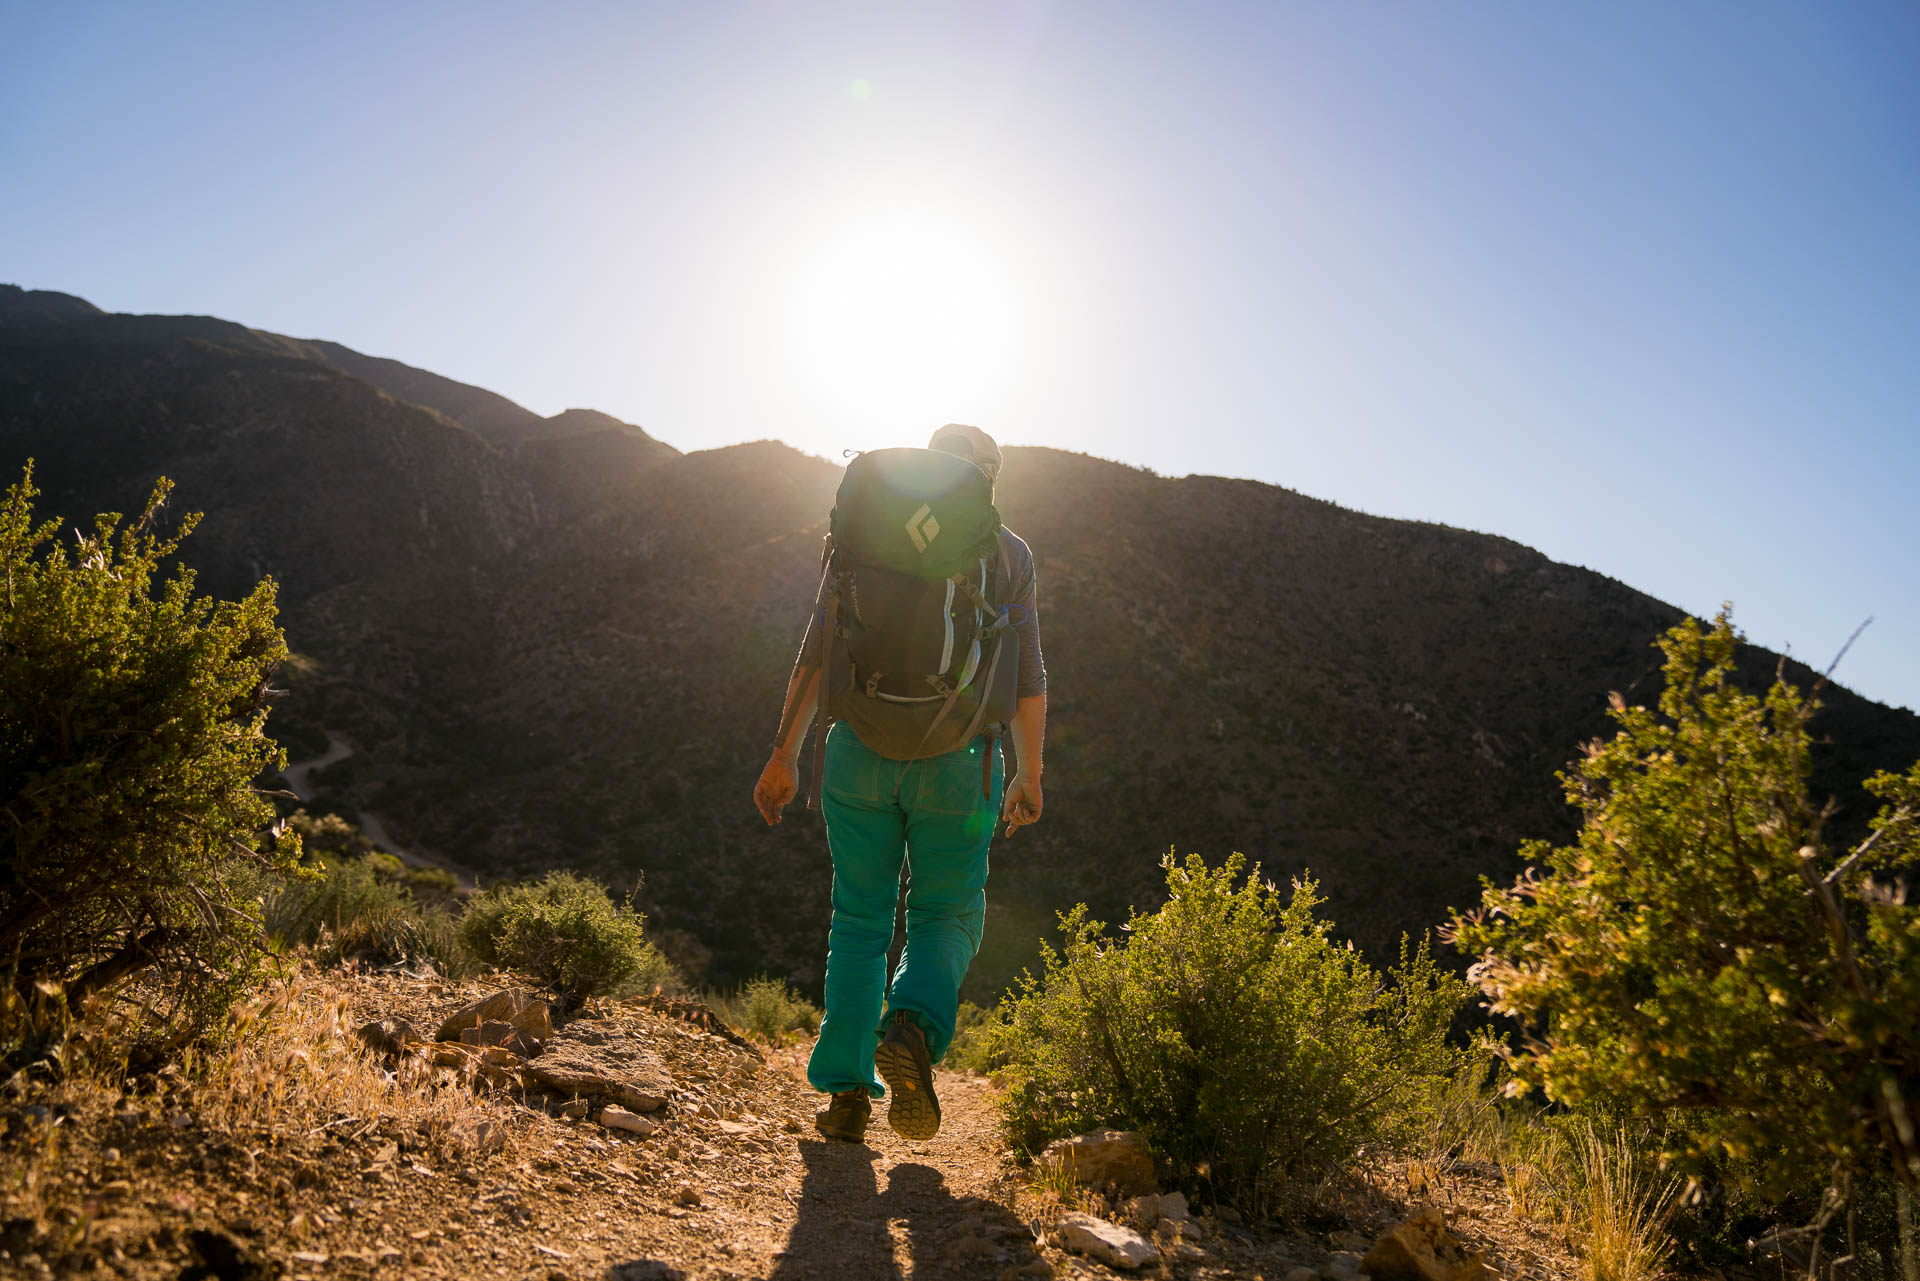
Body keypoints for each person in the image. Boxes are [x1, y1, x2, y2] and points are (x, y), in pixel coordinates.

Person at [753, 424, 1047, 1143]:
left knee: (858, 920)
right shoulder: (1008, 552)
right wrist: (1031, 772)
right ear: (988, 478)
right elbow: (1030, 676)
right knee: (948, 913)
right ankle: (912, 1021)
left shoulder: (865, 531)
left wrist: (784, 752)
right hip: (961, 762)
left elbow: (817, 645)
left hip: (856, 753)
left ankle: (849, 1093)